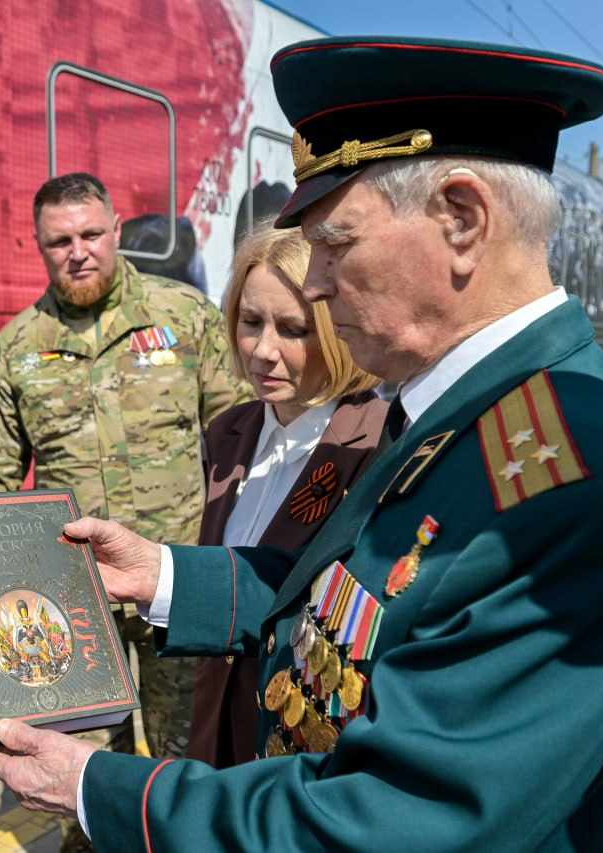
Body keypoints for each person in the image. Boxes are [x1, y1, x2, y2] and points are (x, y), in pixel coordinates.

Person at [0, 36, 603, 851]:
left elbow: (393, 819)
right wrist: (161, 574)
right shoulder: (461, 408)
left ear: (462, 220)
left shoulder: (578, 492)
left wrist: (98, 787)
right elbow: (346, 607)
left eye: (335, 243)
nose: (311, 282)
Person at [0, 171, 251, 849]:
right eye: (59, 241)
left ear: (117, 230)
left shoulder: (186, 320)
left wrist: (228, 564)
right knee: (79, 773)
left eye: (91, 234)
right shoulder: (16, 350)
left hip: (175, 585)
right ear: (38, 245)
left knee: (186, 754)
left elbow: (240, 444)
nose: (79, 252)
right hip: (72, 603)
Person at [186, 222, 385, 769]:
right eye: (251, 322)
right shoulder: (228, 432)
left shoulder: (378, 443)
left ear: (339, 329)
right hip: (217, 731)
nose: (263, 351)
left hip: (304, 746)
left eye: (293, 329)